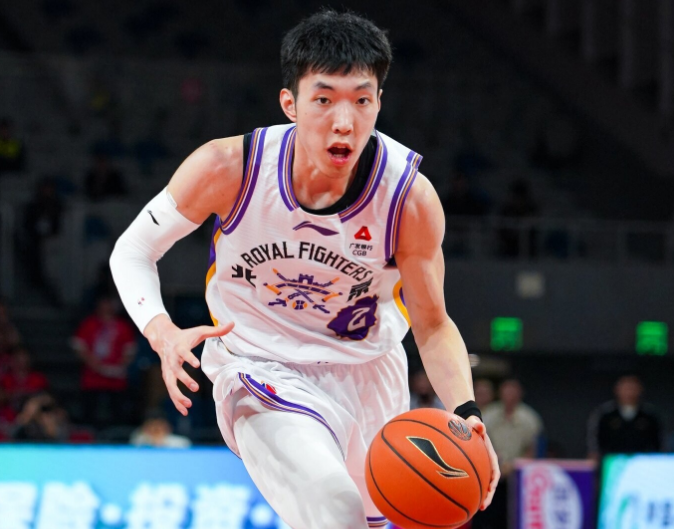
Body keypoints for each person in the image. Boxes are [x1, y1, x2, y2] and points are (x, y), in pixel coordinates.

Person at [110, 11, 499, 529]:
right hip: (260, 364)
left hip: (368, 372)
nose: (344, 121)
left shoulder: (408, 199)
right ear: (289, 103)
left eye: (362, 100)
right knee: (335, 510)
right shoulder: (229, 168)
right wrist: (161, 332)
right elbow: (133, 250)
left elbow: (432, 324)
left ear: (379, 103)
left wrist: (469, 415)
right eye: (324, 99)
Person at [474, 379, 543, 529]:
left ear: (520, 394)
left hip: (518, 477)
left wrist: (515, 466)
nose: (509, 396)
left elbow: (532, 449)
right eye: (506, 391)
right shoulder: (488, 414)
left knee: (512, 517)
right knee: (486, 516)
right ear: (500, 393)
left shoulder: (530, 419)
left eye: (513, 392)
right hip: (490, 474)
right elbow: (479, 441)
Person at [71, 297, 137, 427]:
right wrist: (94, 364)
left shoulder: (123, 326)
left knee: (117, 411)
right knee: (90, 410)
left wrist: (120, 366)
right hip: (92, 376)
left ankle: (116, 433)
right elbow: (79, 346)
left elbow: (129, 349)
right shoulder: (89, 324)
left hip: (116, 377)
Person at [587, 374, 662, 462]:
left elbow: (658, 440)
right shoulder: (605, 413)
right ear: (617, 390)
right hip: (611, 460)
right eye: (626, 388)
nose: (629, 392)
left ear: (640, 390)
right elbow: (594, 438)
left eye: (632, 388)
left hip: (642, 461)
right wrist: (594, 455)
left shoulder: (649, 414)